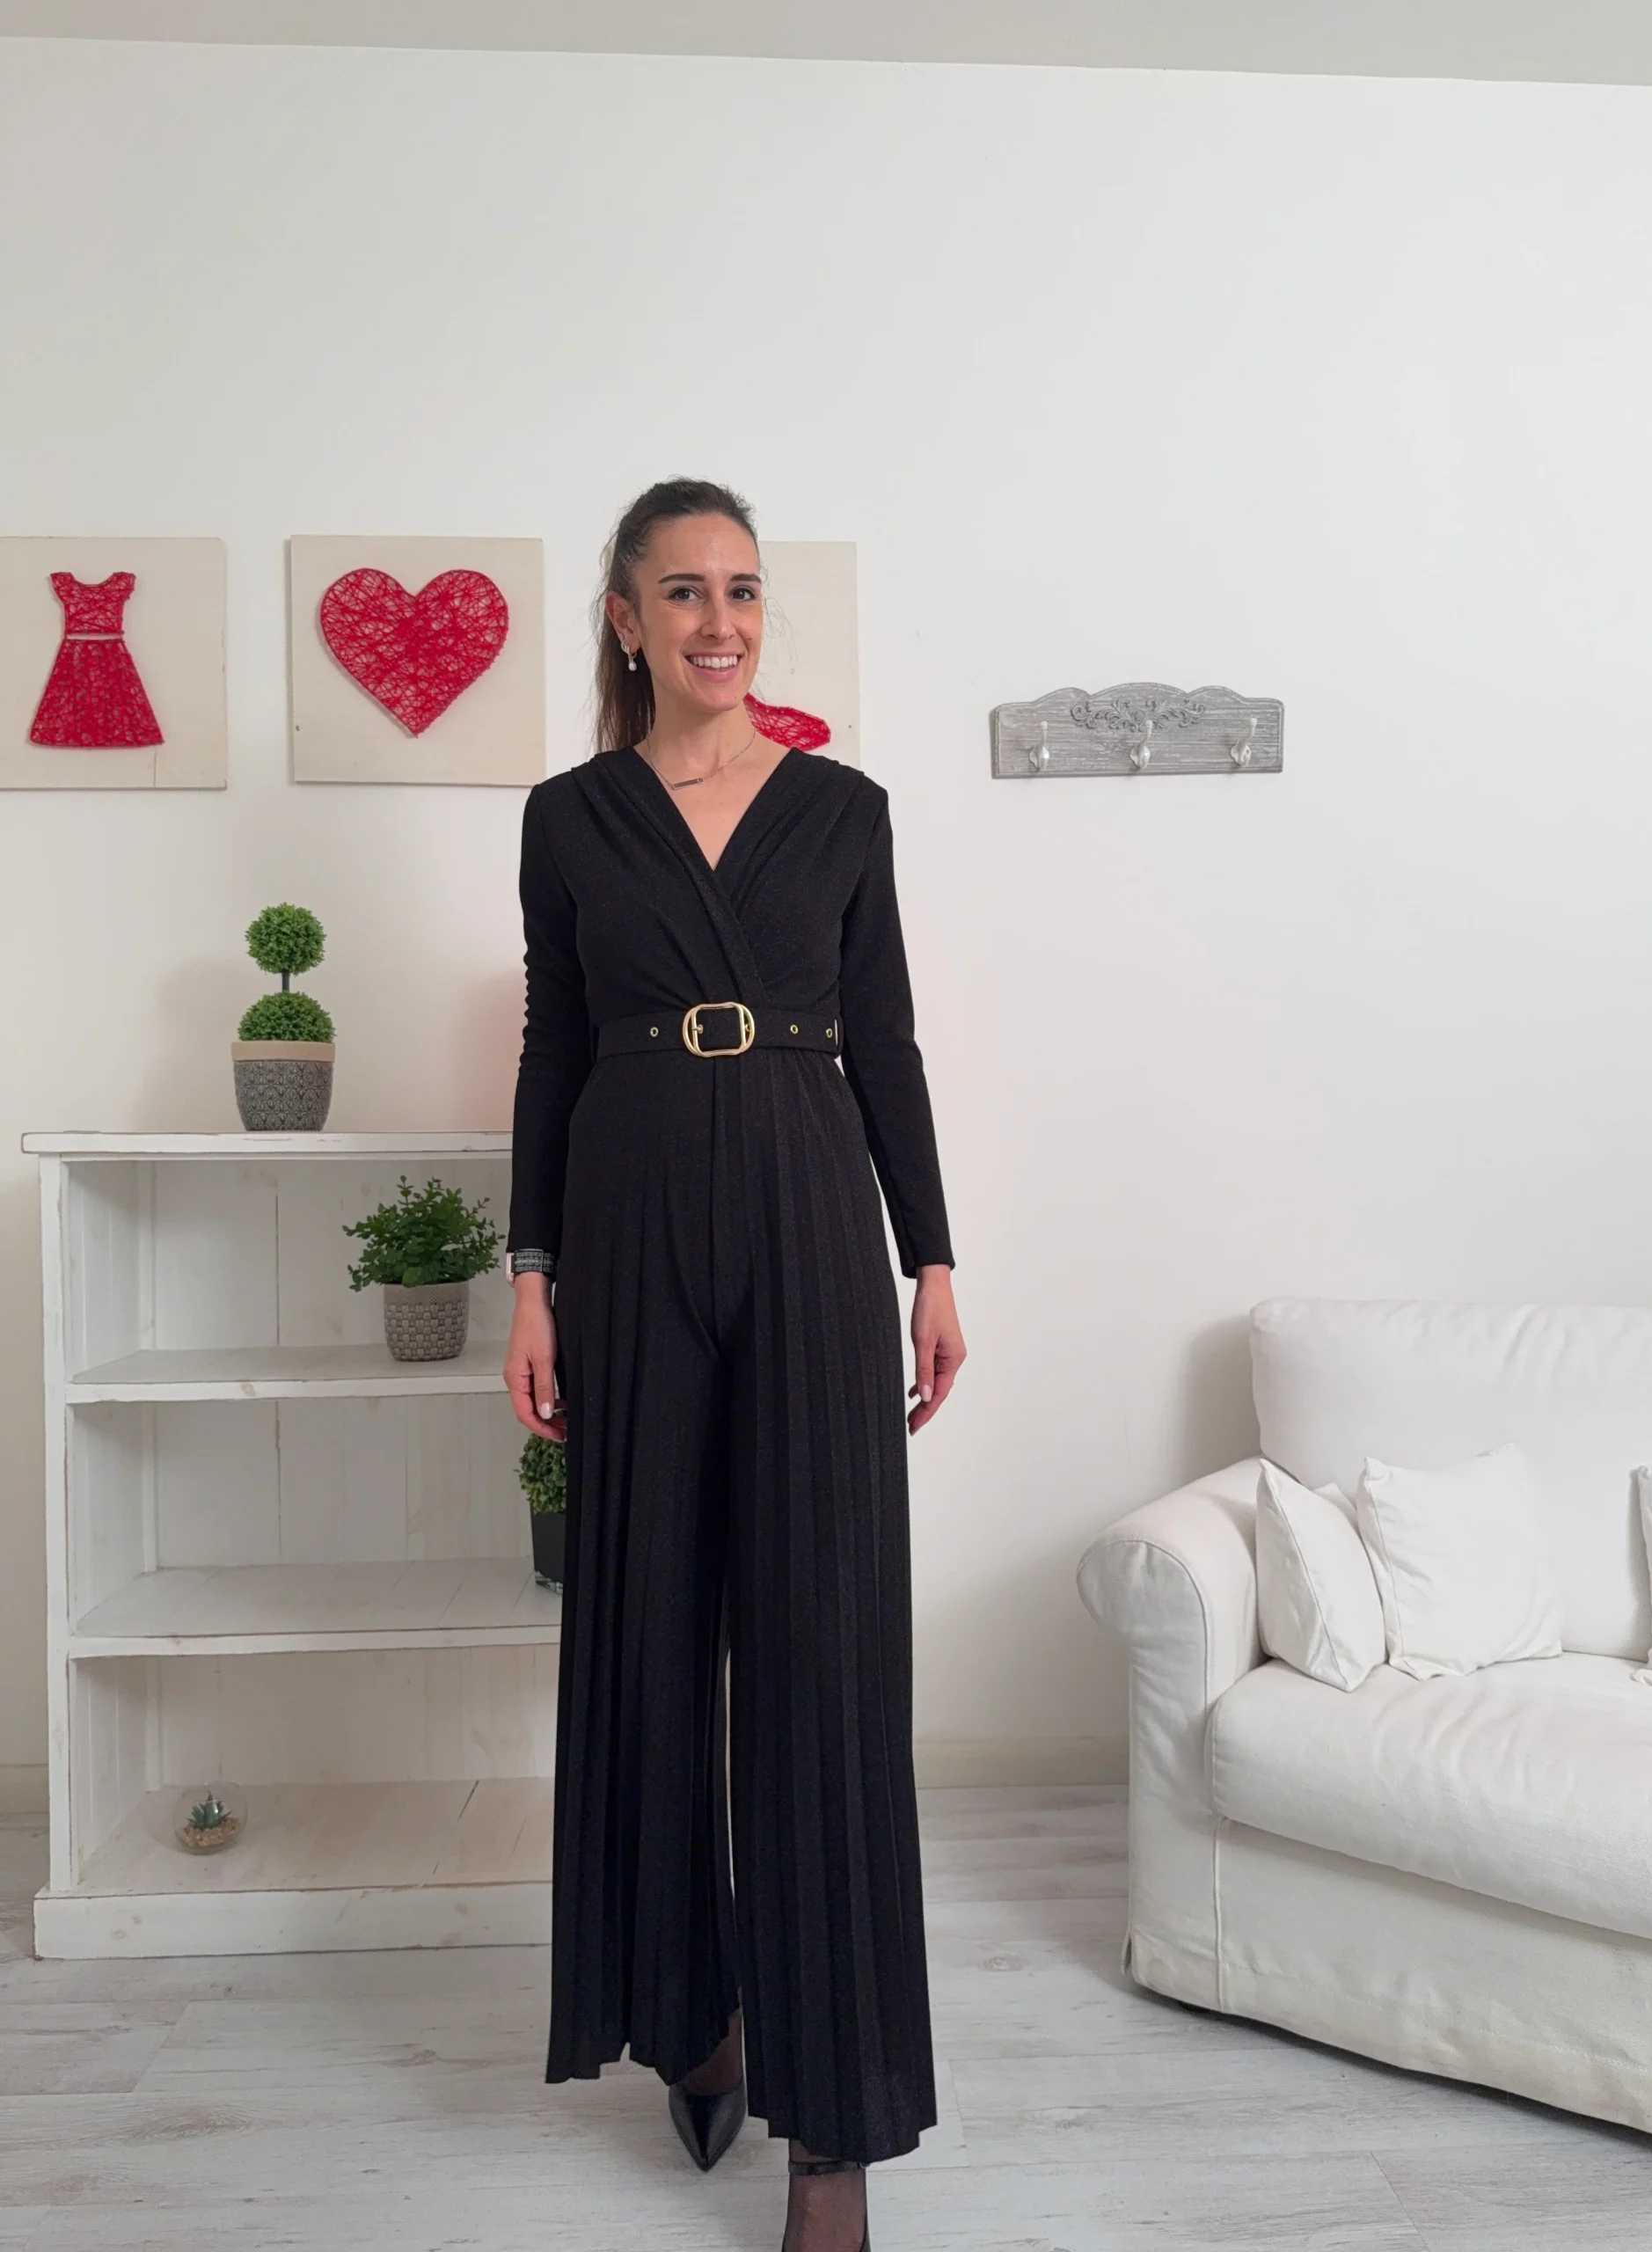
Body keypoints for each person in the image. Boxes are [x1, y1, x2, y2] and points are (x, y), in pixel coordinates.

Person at [502, 478, 964, 2252]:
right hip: (624, 1228)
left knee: (818, 1657)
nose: (722, 620)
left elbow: (888, 1041)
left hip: (805, 1216)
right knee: (645, 1630)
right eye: (685, 591)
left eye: (746, 590)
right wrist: (531, 1276)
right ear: (625, 618)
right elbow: (552, 1044)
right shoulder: (569, 819)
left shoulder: (844, 811)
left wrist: (931, 1256)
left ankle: (832, 2129)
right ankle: (689, 2010)